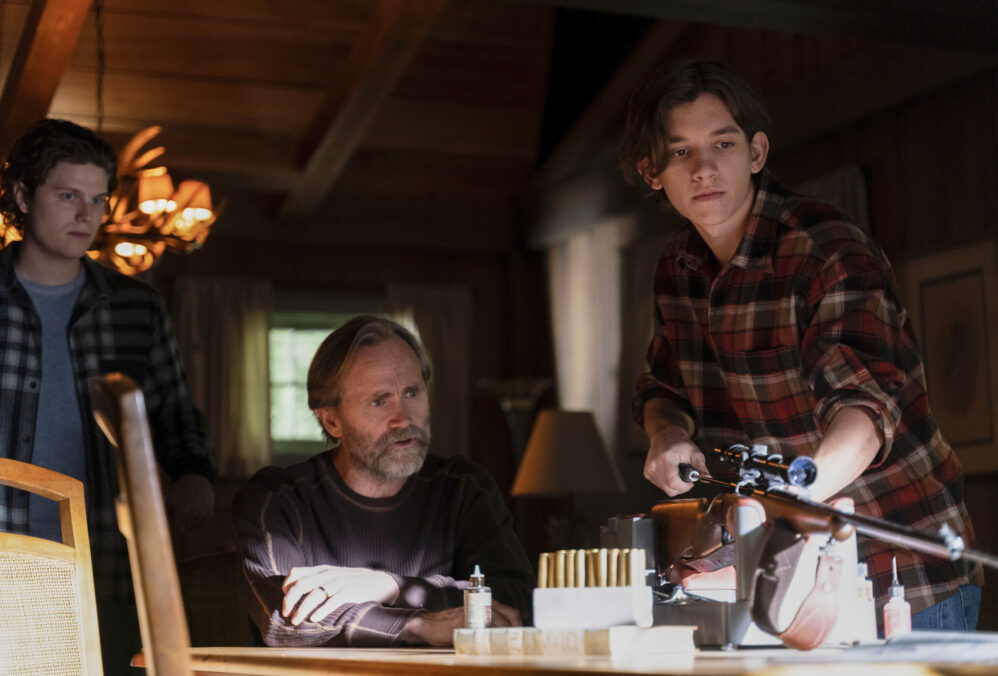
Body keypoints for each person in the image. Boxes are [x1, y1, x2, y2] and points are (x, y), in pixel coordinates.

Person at [618, 60, 983, 630]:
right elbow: (665, 388)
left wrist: (793, 492)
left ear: (757, 153)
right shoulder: (675, 267)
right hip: (776, 573)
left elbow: (865, 410)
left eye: (723, 143)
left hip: (900, 576)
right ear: (651, 171)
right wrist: (667, 435)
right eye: (680, 151)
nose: (704, 168)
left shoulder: (826, 248)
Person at [0, 119, 217, 673]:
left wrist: (195, 475)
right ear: (22, 195)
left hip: (108, 560)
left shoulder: (136, 309)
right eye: (68, 196)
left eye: (97, 198)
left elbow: (174, 411)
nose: (87, 215)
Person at [232, 315, 532, 646]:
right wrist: (420, 625)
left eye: (412, 393)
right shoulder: (278, 500)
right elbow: (284, 622)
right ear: (332, 421)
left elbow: (517, 603)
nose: (402, 418)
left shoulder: (463, 488)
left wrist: (392, 586)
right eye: (379, 401)